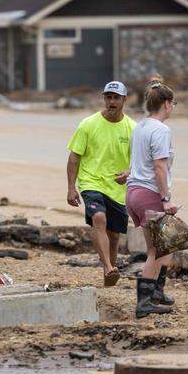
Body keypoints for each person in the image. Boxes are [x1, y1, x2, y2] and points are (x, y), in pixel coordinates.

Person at [66, 80, 136, 287]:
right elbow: (74, 157)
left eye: (116, 98)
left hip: (117, 187)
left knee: (114, 236)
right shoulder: (88, 124)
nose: (112, 101)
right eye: (108, 97)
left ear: (124, 100)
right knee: (98, 218)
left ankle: (109, 276)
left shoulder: (132, 128)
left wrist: (129, 172)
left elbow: (142, 160)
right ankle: (108, 267)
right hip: (91, 181)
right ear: (104, 98)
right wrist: (71, 188)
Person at [126, 81, 178, 318]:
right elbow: (159, 166)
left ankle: (156, 292)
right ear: (167, 104)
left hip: (134, 192)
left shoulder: (140, 126)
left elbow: (140, 160)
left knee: (165, 246)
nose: (173, 107)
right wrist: (166, 198)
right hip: (149, 194)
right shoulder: (161, 130)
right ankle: (144, 301)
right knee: (156, 250)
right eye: (173, 103)